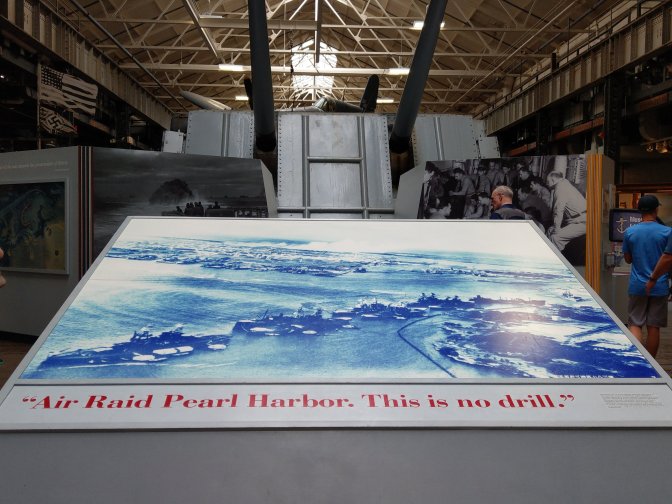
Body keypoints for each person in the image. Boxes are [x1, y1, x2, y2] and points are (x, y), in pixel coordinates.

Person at [623, 195, 671, 357]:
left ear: (639, 211)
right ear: (656, 209)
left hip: (637, 285)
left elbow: (628, 259)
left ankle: (637, 362)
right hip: (659, 285)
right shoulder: (668, 232)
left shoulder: (630, 232)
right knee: (653, 327)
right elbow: (668, 258)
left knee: (635, 324)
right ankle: (651, 365)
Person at [545, 171, 587, 251]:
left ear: (553, 180)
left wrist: (556, 229)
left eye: (548, 181)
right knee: (550, 230)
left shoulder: (560, 188)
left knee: (555, 237)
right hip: (579, 218)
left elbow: (558, 210)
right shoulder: (565, 183)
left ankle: (556, 258)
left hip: (584, 222)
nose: (547, 183)